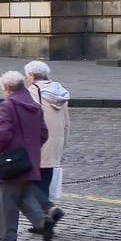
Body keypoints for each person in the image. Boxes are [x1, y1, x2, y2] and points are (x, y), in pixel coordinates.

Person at [0, 71, 58, 241]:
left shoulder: (7, 105)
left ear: (7, 88)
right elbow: (43, 133)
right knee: (24, 194)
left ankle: (8, 237)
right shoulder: (34, 105)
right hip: (31, 158)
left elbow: (3, 134)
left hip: (12, 159)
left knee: (6, 198)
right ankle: (43, 221)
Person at [24, 59, 71, 222]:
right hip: (56, 143)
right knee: (44, 182)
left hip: (39, 143)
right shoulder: (60, 91)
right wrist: (62, 145)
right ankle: (43, 221)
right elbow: (67, 124)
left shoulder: (32, 91)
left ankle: (48, 209)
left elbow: (29, 121)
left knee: (30, 184)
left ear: (32, 75)